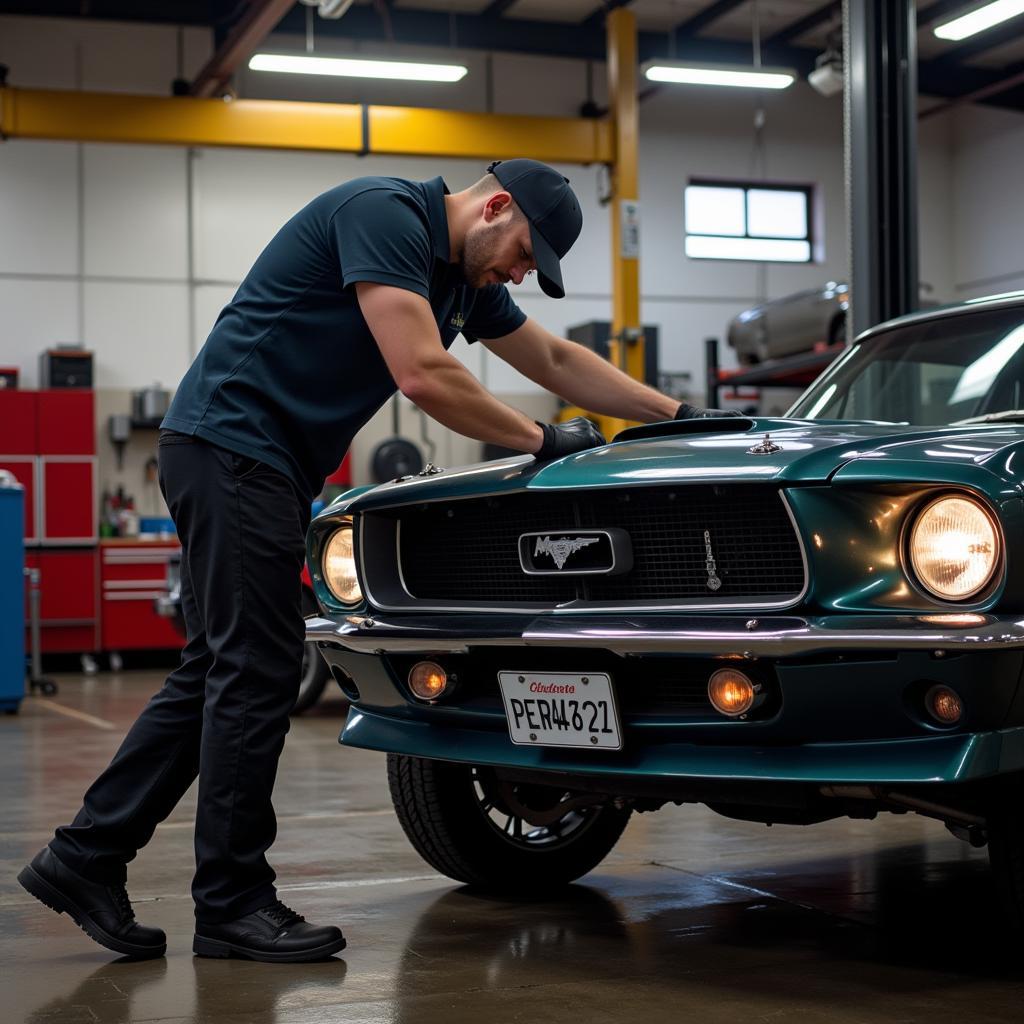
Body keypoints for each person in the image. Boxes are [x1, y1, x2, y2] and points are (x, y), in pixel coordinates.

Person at [18, 158, 718, 963]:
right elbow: (422, 373)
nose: (523, 273)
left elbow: (552, 362)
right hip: (234, 445)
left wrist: (676, 415)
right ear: (494, 207)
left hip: (249, 457)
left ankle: (84, 858)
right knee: (259, 668)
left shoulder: (462, 278)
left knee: (219, 667)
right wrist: (542, 437)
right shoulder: (384, 214)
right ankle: (231, 904)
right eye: (527, 253)